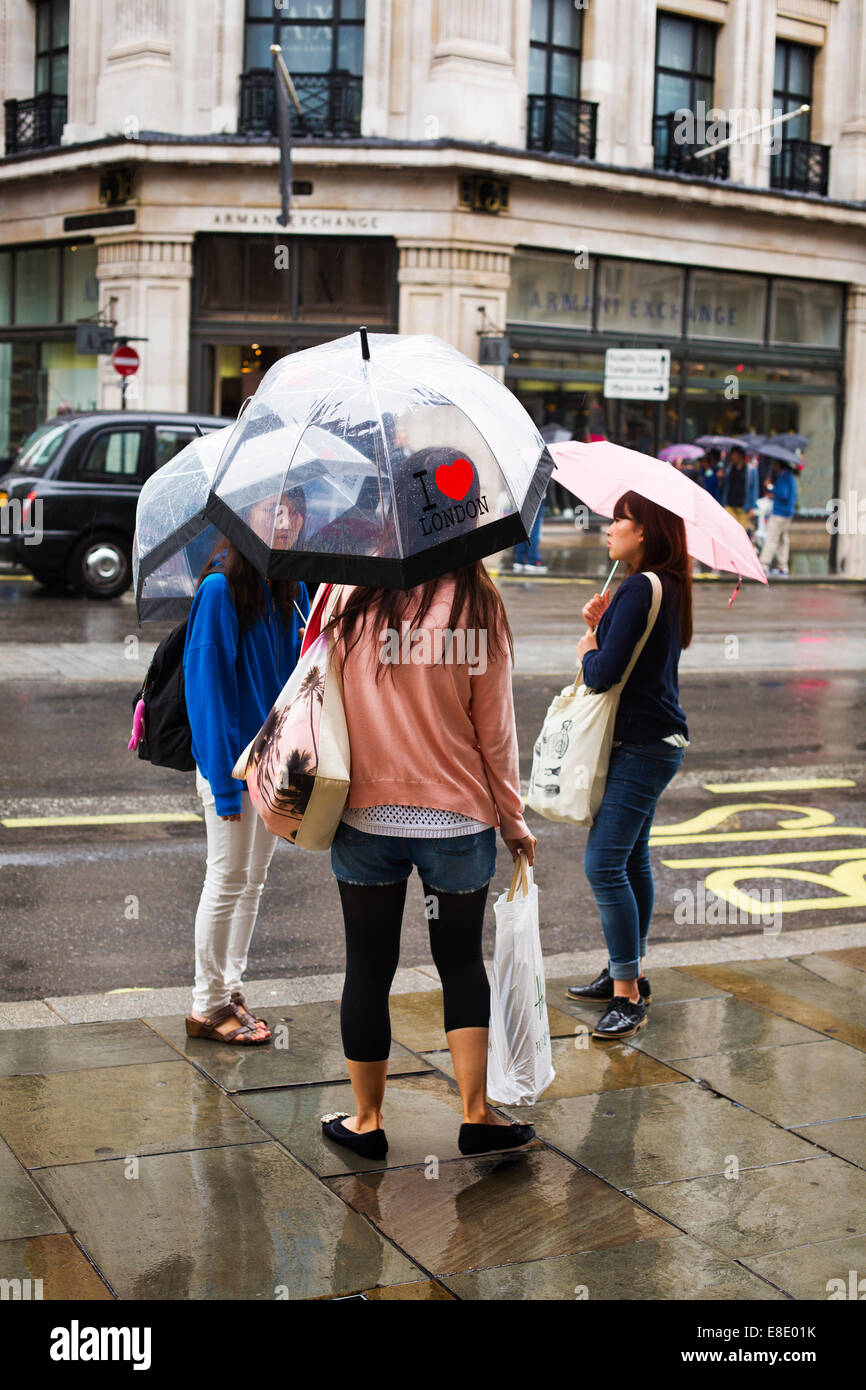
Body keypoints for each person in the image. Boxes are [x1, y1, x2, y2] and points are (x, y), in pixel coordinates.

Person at [317, 557, 538, 1161]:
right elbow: (495, 728)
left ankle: (366, 1121)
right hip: (458, 818)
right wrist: (514, 820)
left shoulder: (346, 591)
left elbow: (318, 689)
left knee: (368, 964)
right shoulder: (476, 601)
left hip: (365, 812)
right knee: (461, 963)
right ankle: (475, 1115)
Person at [565, 490, 691, 1040]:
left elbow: (603, 674)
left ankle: (627, 996)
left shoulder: (640, 585)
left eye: (620, 519)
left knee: (603, 864)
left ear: (645, 531)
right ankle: (629, 970)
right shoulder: (663, 585)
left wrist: (588, 644)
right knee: (631, 857)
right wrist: (606, 616)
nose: (609, 527)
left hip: (642, 744)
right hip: (656, 739)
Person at [183, 500, 309, 1045]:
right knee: (226, 878)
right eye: (270, 511)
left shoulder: (290, 589)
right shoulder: (218, 592)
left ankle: (231, 987)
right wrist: (222, 784)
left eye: (293, 512)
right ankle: (205, 1004)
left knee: (252, 881)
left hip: (275, 765)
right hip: (231, 766)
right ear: (243, 520)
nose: (284, 522)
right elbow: (206, 696)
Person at [761, 459, 798, 576]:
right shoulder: (790, 476)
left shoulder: (784, 477)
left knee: (772, 538)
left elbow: (783, 494)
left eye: (775, 464)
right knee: (783, 539)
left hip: (779, 513)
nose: (774, 467)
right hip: (787, 513)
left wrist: (771, 487)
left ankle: (764, 564)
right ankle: (783, 566)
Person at [720, 445, 758, 533]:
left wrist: (753, 507)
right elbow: (724, 486)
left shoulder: (751, 471)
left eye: (734, 454)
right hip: (730, 505)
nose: (732, 457)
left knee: (741, 533)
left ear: (740, 455)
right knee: (730, 532)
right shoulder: (728, 469)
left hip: (744, 507)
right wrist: (721, 477)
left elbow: (754, 489)